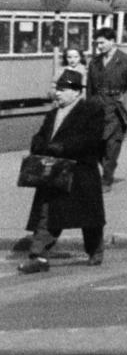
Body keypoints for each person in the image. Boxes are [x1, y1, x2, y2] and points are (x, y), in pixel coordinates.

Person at [18, 69, 106, 273]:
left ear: (76, 92)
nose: (58, 93)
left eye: (63, 89)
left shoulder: (91, 111)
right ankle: (38, 256)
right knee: (47, 214)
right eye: (57, 89)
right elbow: (40, 136)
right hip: (55, 173)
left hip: (80, 173)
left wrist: (63, 147)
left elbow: (91, 139)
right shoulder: (53, 114)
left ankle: (95, 251)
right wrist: (39, 144)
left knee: (89, 218)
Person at [88, 28, 127, 191]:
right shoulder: (95, 62)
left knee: (112, 144)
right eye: (97, 43)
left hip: (117, 107)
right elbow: (90, 88)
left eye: (102, 42)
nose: (99, 46)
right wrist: (87, 108)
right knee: (97, 144)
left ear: (112, 41)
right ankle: (107, 169)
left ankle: (106, 179)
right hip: (98, 106)